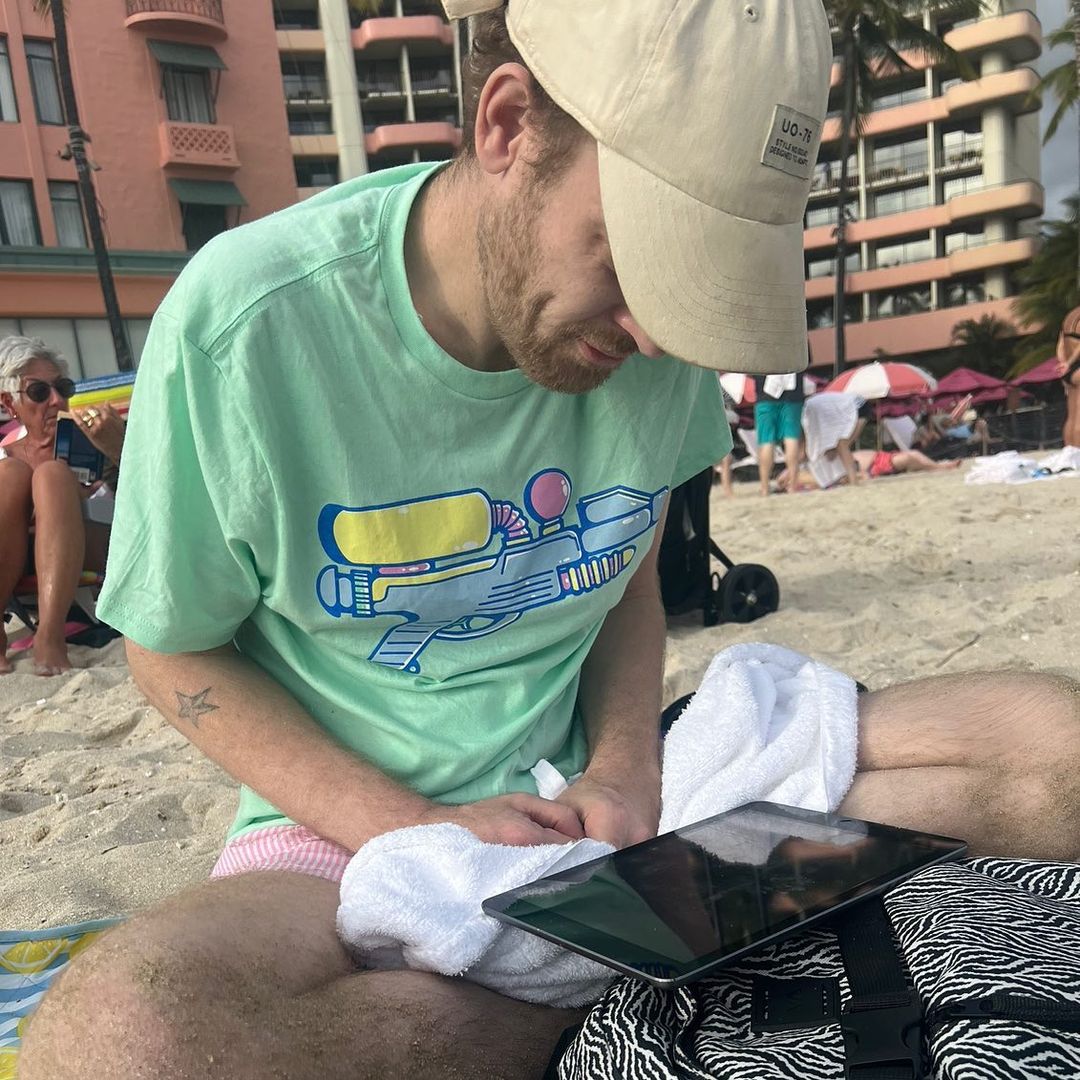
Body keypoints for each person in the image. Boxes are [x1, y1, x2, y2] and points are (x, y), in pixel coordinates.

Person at [18, 5, 1080, 1080]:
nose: (658, 333)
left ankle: (577, 986)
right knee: (119, 1043)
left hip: (623, 804)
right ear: (508, 124)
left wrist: (623, 773)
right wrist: (416, 826)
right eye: (640, 259)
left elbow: (625, 584)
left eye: (695, 281)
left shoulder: (648, 335)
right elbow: (172, 649)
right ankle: (630, 987)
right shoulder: (251, 324)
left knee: (1055, 746)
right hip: (346, 822)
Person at [0, 336, 124, 675]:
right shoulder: (5, 455)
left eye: (63, 387)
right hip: (17, 559)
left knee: (53, 476)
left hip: (94, 548)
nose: (56, 400)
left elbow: (154, 503)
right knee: (11, 473)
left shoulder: (99, 438)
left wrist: (119, 450)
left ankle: (50, 635)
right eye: (39, 392)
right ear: (10, 404)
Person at [753, 367, 806, 496]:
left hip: (765, 393)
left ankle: (765, 488)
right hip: (793, 393)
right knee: (791, 437)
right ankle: (793, 486)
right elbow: (805, 362)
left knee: (766, 440)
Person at [1056, 304, 1080, 448]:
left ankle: (1070, 451)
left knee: (1071, 417)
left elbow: (1061, 345)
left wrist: (1064, 364)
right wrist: (1069, 363)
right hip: (1077, 367)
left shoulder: (1070, 317)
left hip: (1069, 371)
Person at [852, 447, 963, 478]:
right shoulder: (845, 463)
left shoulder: (845, 453)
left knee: (913, 457)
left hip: (883, 458)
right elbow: (860, 475)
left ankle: (936, 466)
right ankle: (939, 467)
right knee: (911, 456)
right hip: (879, 464)